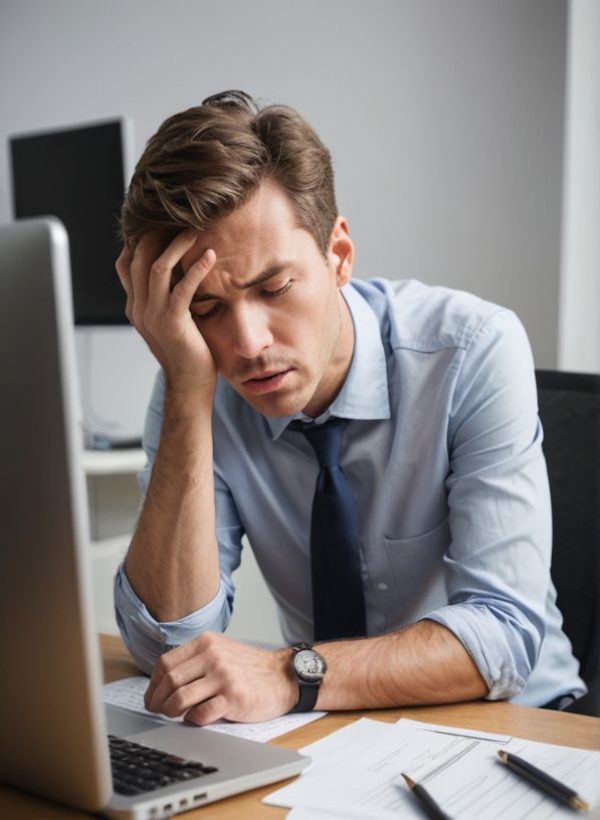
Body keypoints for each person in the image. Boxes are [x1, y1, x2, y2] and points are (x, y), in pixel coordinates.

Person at [114, 90, 585, 725]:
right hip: (335, 732)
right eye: (207, 308)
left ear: (338, 255)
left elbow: (502, 633)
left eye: (274, 287)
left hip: (518, 727)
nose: (248, 345)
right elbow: (165, 647)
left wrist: (289, 672)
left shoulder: (473, 350)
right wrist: (188, 395)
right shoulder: (194, 380)